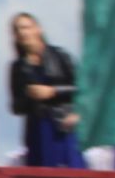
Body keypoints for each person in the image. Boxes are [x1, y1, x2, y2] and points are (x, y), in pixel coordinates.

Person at [8, 13, 85, 168]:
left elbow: (84, 88)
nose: (23, 32)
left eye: (26, 27)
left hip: (63, 127)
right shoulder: (18, 67)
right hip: (37, 130)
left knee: (71, 176)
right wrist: (29, 96)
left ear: (38, 29)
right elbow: (16, 107)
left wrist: (53, 91)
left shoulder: (60, 56)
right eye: (17, 30)